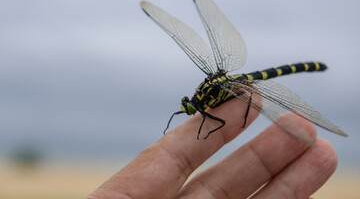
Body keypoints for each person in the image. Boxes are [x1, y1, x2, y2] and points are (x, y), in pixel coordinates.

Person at [86, 97, 337, 199]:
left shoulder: (224, 98)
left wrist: (204, 130)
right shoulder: (199, 102)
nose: (189, 108)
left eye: (190, 107)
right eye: (188, 105)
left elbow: (221, 121)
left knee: (225, 119)